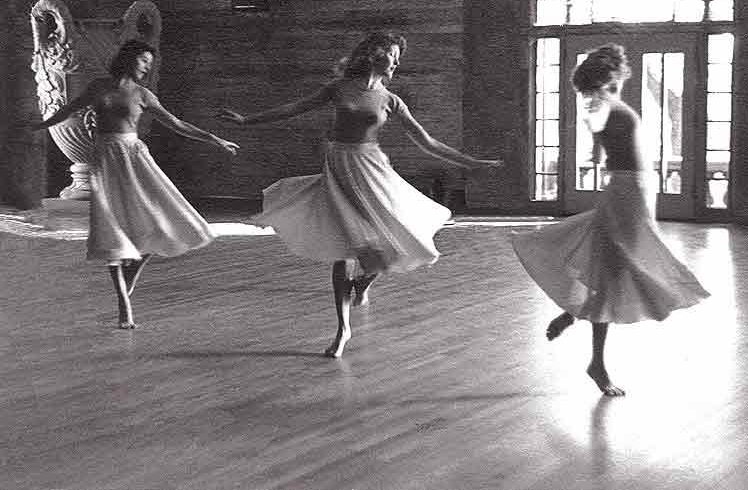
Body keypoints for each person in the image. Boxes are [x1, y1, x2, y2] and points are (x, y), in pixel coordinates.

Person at [218, 31, 502, 357]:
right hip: (339, 169)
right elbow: (294, 108)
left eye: (398, 58)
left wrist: (471, 163)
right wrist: (247, 120)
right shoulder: (338, 89)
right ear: (374, 54)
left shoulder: (390, 100)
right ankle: (343, 329)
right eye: (393, 55)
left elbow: (428, 142)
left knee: (384, 249)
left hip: (373, 172)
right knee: (344, 248)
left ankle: (363, 284)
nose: (396, 62)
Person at [511, 43, 709, 396]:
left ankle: (577, 323)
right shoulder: (602, 108)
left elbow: (605, 151)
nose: (615, 79)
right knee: (617, 269)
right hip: (628, 190)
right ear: (605, 78)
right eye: (609, 75)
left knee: (612, 268)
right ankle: (591, 350)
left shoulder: (604, 106)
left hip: (637, 189)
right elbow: (606, 148)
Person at [33, 39, 239, 329]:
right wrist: (36, 126)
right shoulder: (98, 86)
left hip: (135, 159)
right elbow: (67, 110)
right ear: (129, 59)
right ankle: (124, 305)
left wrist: (214, 139)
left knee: (158, 221)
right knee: (111, 229)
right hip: (105, 161)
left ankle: (131, 276)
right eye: (143, 61)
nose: (146, 67)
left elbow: (177, 124)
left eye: (149, 64)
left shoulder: (144, 95)